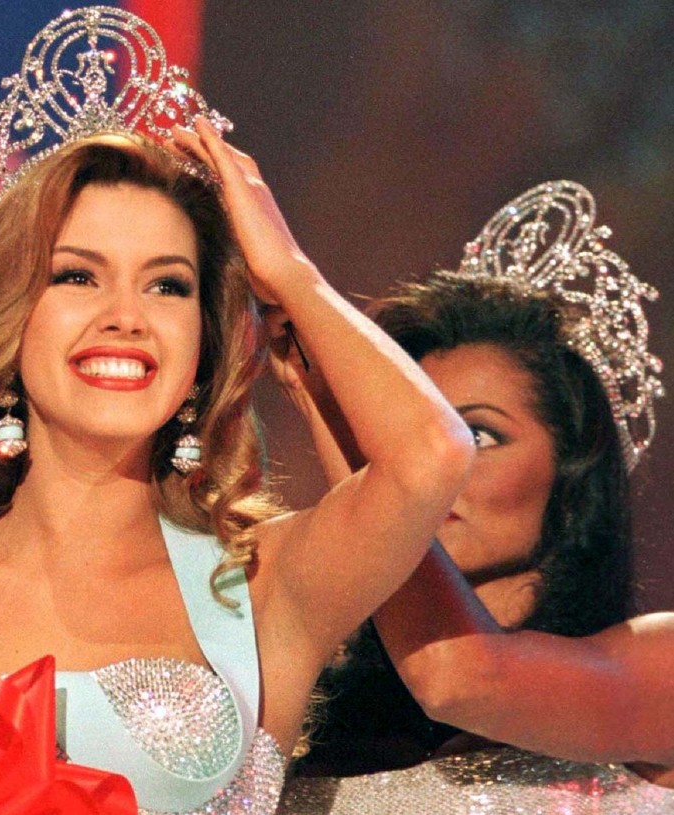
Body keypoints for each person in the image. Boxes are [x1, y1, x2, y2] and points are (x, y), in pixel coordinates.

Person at [0, 8, 475, 815]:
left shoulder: (263, 588)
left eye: (168, 285)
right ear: (13, 316)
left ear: (205, 338)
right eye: (77, 276)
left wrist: (290, 274)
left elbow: (431, 454)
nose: (126, 315)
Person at [274, 181, 674, 811]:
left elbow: (461, 677)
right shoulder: (312, 702)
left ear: (574, 476)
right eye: (416, 433)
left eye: (476, 434)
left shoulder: (661, 666)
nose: (438, 462)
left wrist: (296, 283)